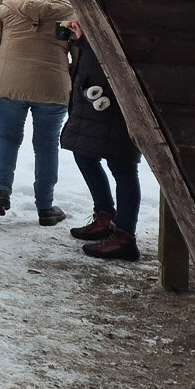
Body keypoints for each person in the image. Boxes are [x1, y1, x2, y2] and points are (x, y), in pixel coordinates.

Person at [0, 0, 72, 224]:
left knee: (7, 137)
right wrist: (69, 77)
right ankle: (45, 207)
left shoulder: (8, 8)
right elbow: (77, 51)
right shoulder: (67, 13)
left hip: (8, 85)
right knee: (46, 145)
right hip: (52, 87)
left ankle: (1, 193)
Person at [61, 20, 142, 261]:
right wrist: (82, 37)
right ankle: (105, 216)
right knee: (84, 153)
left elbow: (117, 47)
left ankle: (124, 237)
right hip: (96, 98)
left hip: (118, 99)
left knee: (122, 165)